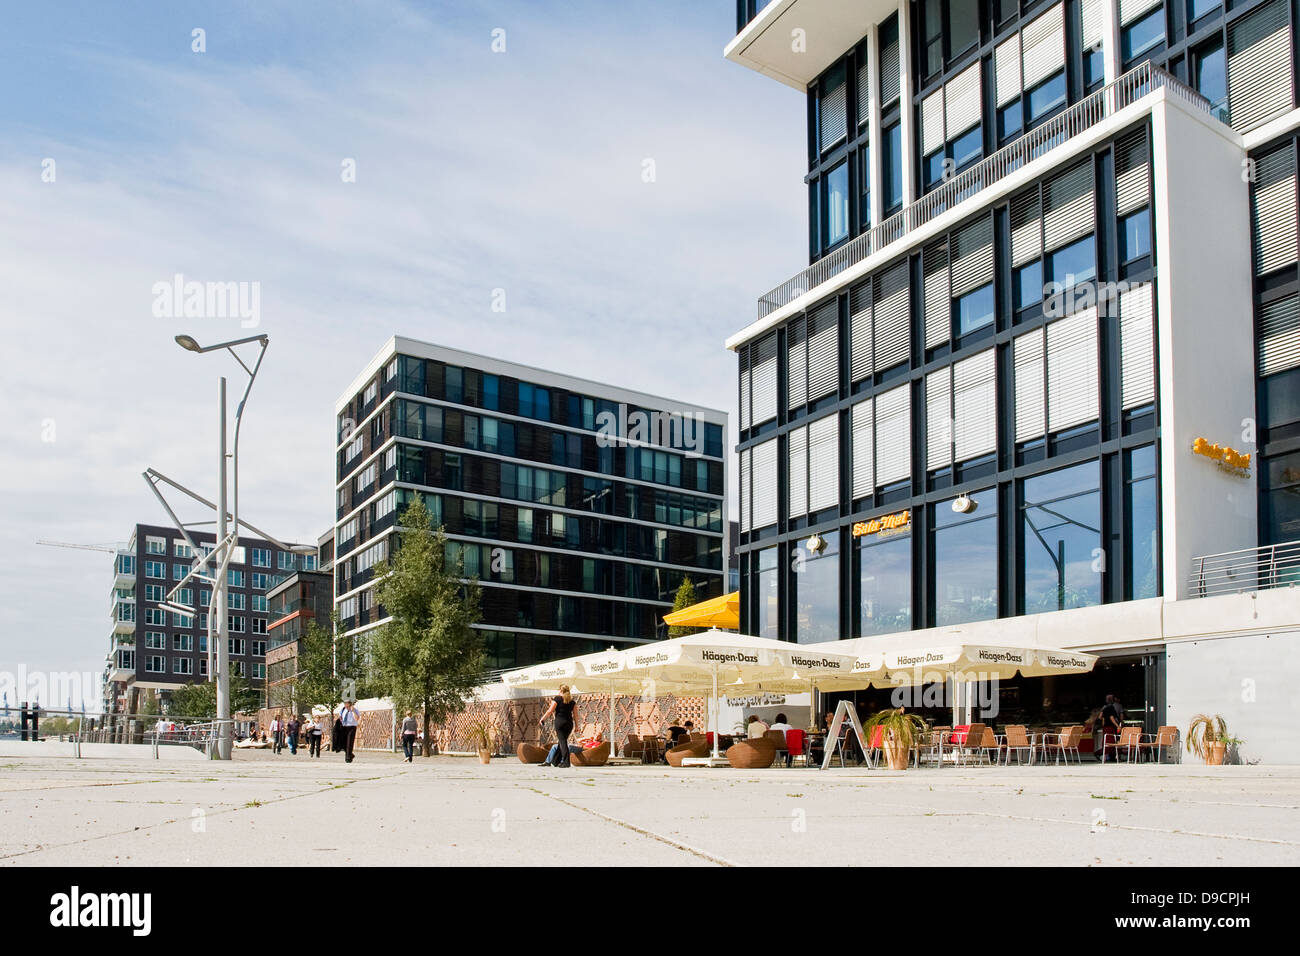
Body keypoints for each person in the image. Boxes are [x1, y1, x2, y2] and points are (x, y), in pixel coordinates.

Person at [539, 684, 577, 768]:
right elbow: (576, 715)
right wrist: (577, 726)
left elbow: (550, 711)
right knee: (561, 742)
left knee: (563, 742)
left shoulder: (557, 699)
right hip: (569, 724)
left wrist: (542, 719)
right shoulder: (572, 702)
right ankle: (555, 761)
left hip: (560, 722)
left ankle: (566, 762)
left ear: (560, 690)